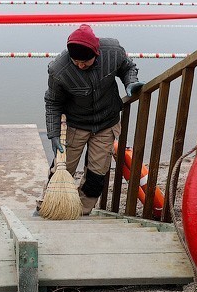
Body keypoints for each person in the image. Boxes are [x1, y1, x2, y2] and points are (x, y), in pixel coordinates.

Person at [44, 24, 142, 214]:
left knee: (97, 172)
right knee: (63, 168)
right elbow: (53, 102)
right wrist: (54, 134)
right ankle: (50, 205)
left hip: (107, 123)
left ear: (96, 53)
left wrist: (131, 82)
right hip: (76, 125)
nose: (80, 65)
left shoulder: (113, 52)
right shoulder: (59, 70)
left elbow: (127, 67)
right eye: (76, 61)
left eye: (85, 62)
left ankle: (82, 210)